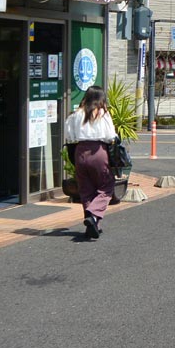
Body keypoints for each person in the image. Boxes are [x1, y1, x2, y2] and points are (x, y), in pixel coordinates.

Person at [63, 85, 117, 240]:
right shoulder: (102, 113)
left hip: (80, 151)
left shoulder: (76, 114)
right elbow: (110, 135)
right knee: (106, 186)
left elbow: (69, 135)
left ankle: (92, 225)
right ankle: (93, 216)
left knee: (86, 189)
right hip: (98, 151)